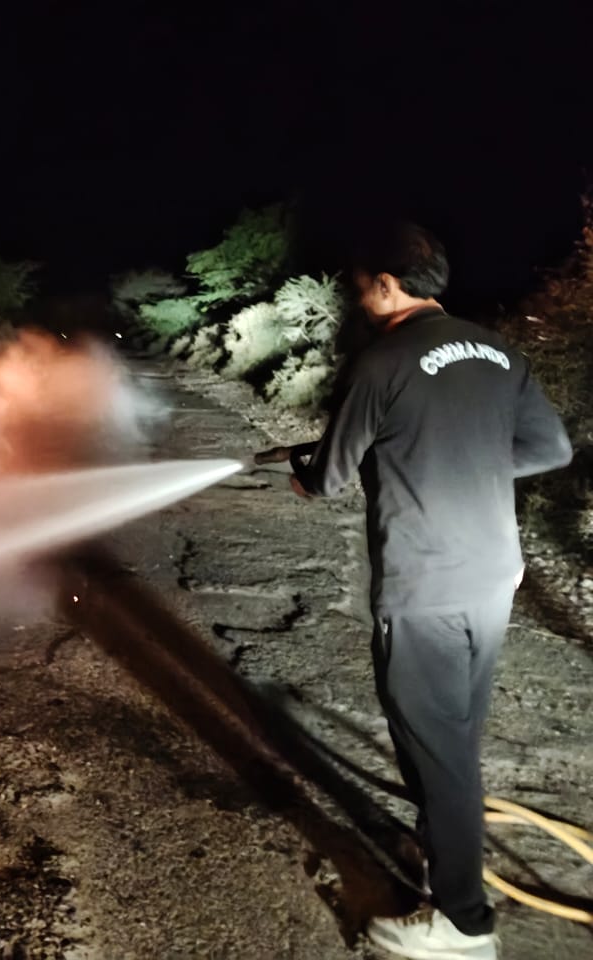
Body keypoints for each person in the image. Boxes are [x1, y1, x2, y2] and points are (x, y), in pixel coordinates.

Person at [286, 223, 572, 960]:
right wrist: (468, 459)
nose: (358, 298)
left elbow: (331, 475)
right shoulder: (499, 352)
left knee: (436, 749)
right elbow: (551, 448)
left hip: (427, 583)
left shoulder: (382, 360)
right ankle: (444, 851)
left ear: (387, 283)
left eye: (361, 286)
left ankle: (465, 926)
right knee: (453, 735)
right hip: (493, 576)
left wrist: (304, 474)